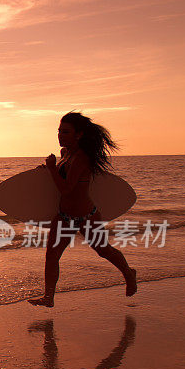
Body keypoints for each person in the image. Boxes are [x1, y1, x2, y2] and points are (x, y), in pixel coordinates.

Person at [29, 112, 137, 308]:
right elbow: (62, 180)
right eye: (59, 131)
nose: (60, 135)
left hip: (87, 217)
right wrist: (46, 172)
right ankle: (49, 297)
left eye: (66, 132)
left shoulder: (82, 158)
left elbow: (67, 189)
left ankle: (129, 273)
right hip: (64, 217)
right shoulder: (66, 154)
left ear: (78, 134)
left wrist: (52, 169)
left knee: (104, 251)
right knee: (52, 256)